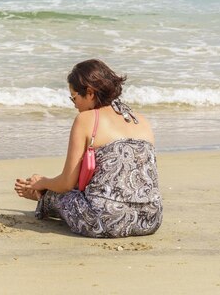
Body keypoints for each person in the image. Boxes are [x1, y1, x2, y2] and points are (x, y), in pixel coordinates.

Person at [14, 59, 162, 238]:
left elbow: (66, 183)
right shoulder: (140, 119)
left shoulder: (86, 119)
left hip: (108, 221)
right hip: (151, 218)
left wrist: (42, 183)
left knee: (58, 195)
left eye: (74, 97)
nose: (74, 104)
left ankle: (41, 197)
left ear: (90, 93)